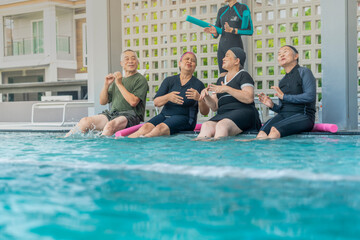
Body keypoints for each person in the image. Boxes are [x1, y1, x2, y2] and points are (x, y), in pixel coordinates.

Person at [65, 49, 148, 137]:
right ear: (121, 63)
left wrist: (119, 84)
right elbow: (103, 101)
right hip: (113, 114)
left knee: (109, 126)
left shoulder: (140, 79)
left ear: (137, 62)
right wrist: (106, 84)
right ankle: (65, 141)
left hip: (131, 116)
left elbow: (133, 102)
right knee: (85, 121)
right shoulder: (119, 79)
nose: (130, 61)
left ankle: (102, 149)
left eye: (133, 58)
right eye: (127, 59)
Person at [128, 52, 209, 138]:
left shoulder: (198, 85)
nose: (189, 61)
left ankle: (144, 142)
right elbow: (156, 103)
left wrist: (199, 99)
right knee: (145, 128)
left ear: (195, 66)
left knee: (159, 128)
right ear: (180, 63)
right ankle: (128, 145)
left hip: (185, 118)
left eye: (193, 61)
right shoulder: (169, 81)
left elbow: (205, 112)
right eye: (187, 59)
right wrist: (168, 97)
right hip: (164, 115)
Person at [195, 47, 261, 140]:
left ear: (237, 61)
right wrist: (206, 97)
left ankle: (221, 153)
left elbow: (249, 98)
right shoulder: (220, 80)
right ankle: (199, 153)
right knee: (206, 125)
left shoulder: (243, 75)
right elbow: (214, 107)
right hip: (224, 114)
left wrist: (227, 89)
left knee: (222, 125)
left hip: (243, 112)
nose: (223, 58)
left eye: (227, 56)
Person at [254, 45, 316, 139]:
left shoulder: (304, 72)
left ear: (296, 56)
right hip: (284, 115)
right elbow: (283, 109)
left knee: (275, 130)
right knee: (262, 132)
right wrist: (272, 105)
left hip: (303, 116)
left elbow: (310, 96)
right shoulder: (282, 82)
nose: (282, 55)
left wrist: (284, 97)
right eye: (279, 54)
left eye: (285, 52)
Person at [204, 0, 253, 76]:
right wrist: (214, 33)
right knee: (223, 78)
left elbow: (250, 31)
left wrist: (232, 30)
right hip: (222, 48)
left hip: (235, 48)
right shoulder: (222, 10)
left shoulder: (242, 8)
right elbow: (217, 31)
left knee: (235, 78)